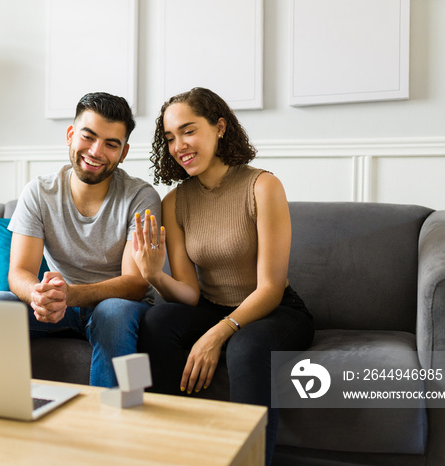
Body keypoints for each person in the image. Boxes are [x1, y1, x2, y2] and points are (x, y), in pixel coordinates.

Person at [132, 87, 314, 465]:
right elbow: (189, 295)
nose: (179, 145)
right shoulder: (175, 202)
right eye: (169, 137)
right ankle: (169, 450)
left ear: (219, 127)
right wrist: (154, 275)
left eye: (188, 130)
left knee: (245, 348)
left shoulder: (262, 186)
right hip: (212, 306)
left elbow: (271, 288)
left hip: (273, 310)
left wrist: (218, 334)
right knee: (157, 320)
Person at [0, 92, 161, 388]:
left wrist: (68, 295)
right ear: (70, 135)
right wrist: (39, 295)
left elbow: (135, 284)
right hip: (59, 308)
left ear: (123, 153)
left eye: (111, 144)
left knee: (113, 312)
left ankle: (120, 420)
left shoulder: (140, 197)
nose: (96, 151)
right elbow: (20, 272)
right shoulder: (39, 192)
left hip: (120, 307)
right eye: (88, 137)